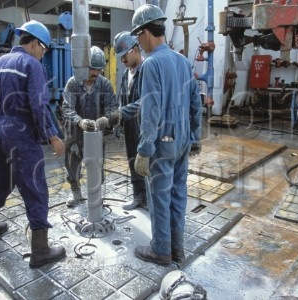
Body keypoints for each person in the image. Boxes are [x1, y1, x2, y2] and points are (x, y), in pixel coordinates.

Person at [0, 20, 66, 268]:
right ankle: (40, 250)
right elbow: (38, 104)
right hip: (20, 131)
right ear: (35, 43)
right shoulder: (31, 65)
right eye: (43, 49)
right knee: (35, 186)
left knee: (1, 179)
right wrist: (53, 136)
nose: (43, 54)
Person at [130, 4, 202, 266]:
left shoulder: (151, 64)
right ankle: (177, 248)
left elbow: (151, 110)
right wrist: (196, 136)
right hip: (182, 140)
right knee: (178, 195)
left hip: (162, 144)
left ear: (147, 32)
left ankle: (161, 250)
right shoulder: (182, 61)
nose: (138, 42)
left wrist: (144, 150)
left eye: (138, 36)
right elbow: (196, 101)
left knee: (159, 197)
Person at [62, 46, 120, 207]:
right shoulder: (73, 83)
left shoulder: (105, 85)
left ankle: (95, 195)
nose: (95, 73)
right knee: (72, 166)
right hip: (74, 134)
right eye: (92, 70)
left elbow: (112, 108)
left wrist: (105, 119)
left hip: (95, 136)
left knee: (97, 166)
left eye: (99, 70)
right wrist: (80, 121)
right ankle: (76, 193)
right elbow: (66, 108)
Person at [113, 31, 147, 210]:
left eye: (124, 55)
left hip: (144, 126)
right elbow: (122, 97)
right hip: (130, 125)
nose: (122, 60)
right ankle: (138, 196)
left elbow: (145, 102)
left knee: (147, 162)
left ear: (135, 50)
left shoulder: (147, 69)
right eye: (120, 57)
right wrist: (119, 121)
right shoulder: (127, 74)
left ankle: (150, 198)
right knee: (132, 160)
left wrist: (121, 113)